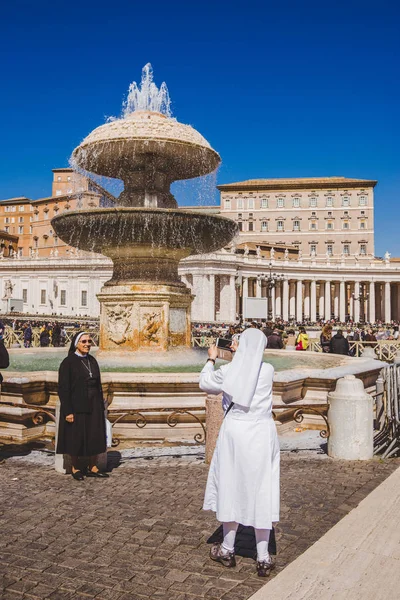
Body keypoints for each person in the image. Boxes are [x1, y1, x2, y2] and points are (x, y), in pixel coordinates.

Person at [199, 329, 280, 578]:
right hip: (262, 432)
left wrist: (212, 358)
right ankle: (263, 557)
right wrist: (240, 350)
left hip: (236, 431)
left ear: (240, 345)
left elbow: (205, 382)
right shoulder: (267, 371)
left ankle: (227, 548)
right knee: (262, 488)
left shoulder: (229, 371)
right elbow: (251, 367)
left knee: (231, 485)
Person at [56, 331, 109, 480]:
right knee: (76, 437)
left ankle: (93, 466)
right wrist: (68, 411)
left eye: (89, 342)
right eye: (84, 342)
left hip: (94, 405)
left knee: (94, 435)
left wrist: (100, 403)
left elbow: (97, 382)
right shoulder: (68, 362)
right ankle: (75, 467)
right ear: (76, 344)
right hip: (77, 404)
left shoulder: (92, 360)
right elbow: (63, 388)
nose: (87, 344)